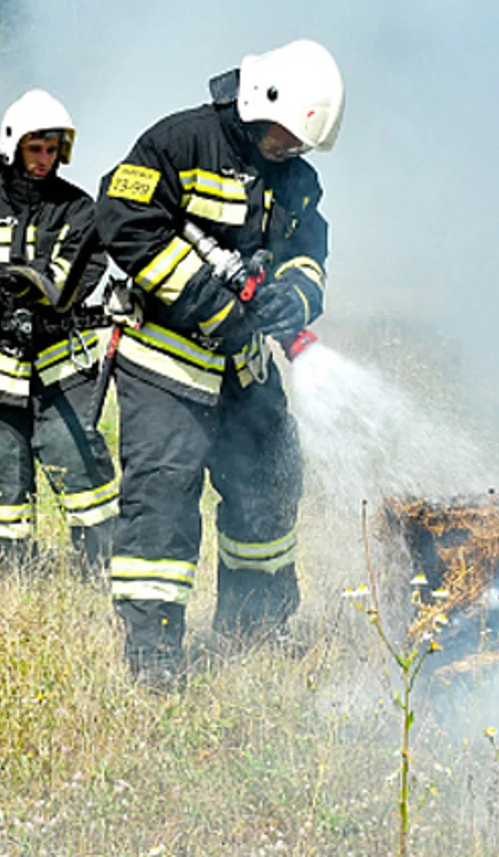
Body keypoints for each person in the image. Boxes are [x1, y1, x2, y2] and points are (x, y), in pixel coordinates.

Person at [94, 39, 342, 690]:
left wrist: (295, 297)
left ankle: (255, 625)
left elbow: (308, 251)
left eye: (300, 144)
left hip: (244, 368)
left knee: (270, 481)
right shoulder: (179, 143)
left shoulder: (296, 178)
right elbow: (122, 220)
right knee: (162, 500)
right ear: (262, 103)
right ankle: (155, 650)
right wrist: (211, 304)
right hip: (165, 363)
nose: (291, 150)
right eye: (286, 137)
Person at [0, 90, 119, 582]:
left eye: (53, 151)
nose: (44, 161)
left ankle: (102, 572)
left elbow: (79, 271)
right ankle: (5, 579)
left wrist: (24, 298)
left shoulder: (78, 210)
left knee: (81, 468)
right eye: (36, 149)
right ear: (13, 148)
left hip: (61, 368)